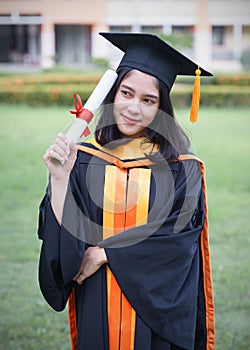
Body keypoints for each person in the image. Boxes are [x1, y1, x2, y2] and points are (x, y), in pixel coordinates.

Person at [37, 32, 215, 350]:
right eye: (126, 93)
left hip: (154, 309)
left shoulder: (180, 169)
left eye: (148, 100)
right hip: (98, 302)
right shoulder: (85, 158)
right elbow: (66, 242)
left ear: (162, 108)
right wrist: (60, 179)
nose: (133, 108)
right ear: (113, 93)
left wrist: (106, 253)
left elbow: (178, 245)